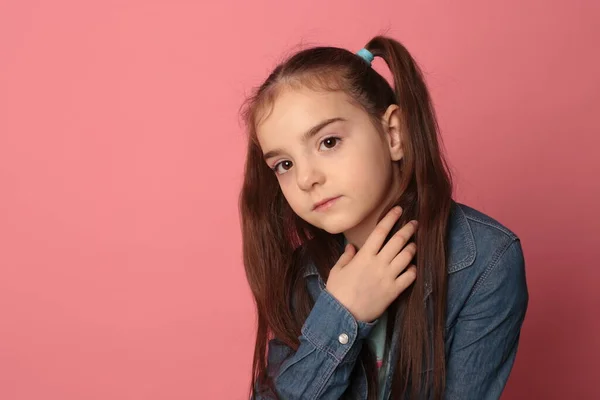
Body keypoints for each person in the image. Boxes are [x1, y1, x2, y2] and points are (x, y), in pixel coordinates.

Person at [238, 35, 528, 400]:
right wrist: (341, 313)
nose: (306, 178)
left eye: (328, 142)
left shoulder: (485, 262)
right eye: (284, 164)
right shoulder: (302, 273)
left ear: (393, 134)